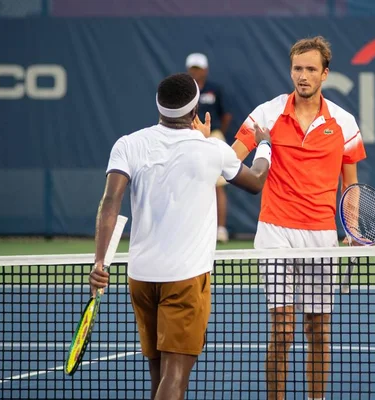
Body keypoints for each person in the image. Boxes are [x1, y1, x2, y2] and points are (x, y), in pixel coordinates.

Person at [89, 73, 272, 400]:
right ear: (194, 109)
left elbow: (110, 201)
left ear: (159, 106)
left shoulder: (128, 144)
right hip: (184, 279)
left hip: (141, 279)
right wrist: (265, 144)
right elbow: (256, 181)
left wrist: (100, 261)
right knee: (174, 381)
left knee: (159, 376)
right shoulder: (212, 150)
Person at [231, 36, 367, 400]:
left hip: (321, 236)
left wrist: (351, 229)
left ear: (325, 73)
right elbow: (231, 160)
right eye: (297, 69)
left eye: (310, 69)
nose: (302, 76)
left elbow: (350, 187)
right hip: (275, 230)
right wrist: (203, 146)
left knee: (319, 331)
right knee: (282, 329)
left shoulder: (344, 123)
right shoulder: (267, 113)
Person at [186, 52, 233, 243]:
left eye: (198, 69)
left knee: (218, 186)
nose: (195, 72)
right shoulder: (186, 90)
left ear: (205, 70)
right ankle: (192, 230)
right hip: (188, 137)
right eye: (192, 69)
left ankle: (220, 229)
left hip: (213, 135)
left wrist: (216, 133)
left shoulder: (215, 89)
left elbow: (226, 115)